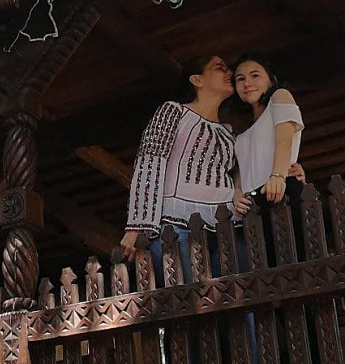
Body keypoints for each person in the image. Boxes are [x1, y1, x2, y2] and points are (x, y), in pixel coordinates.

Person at [120, 55, 238, 275]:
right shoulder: (174, 111)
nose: (229, 72)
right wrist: (137, 225)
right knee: (187, 292)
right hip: (176, 224)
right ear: (197, 80)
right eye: (219, 67)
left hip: (226, 224)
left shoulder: (229, 132)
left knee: (238, 293)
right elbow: (149, 162)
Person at [232, 53, 304, 210]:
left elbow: (284, 141)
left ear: (272, 80)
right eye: (240, 79)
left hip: (278, 190)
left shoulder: (280, 96)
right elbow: (243, 165)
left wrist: (278, 176)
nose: (247, 83)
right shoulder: (244, 129)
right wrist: (237, 191)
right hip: (251, 204)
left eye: (255, 75)